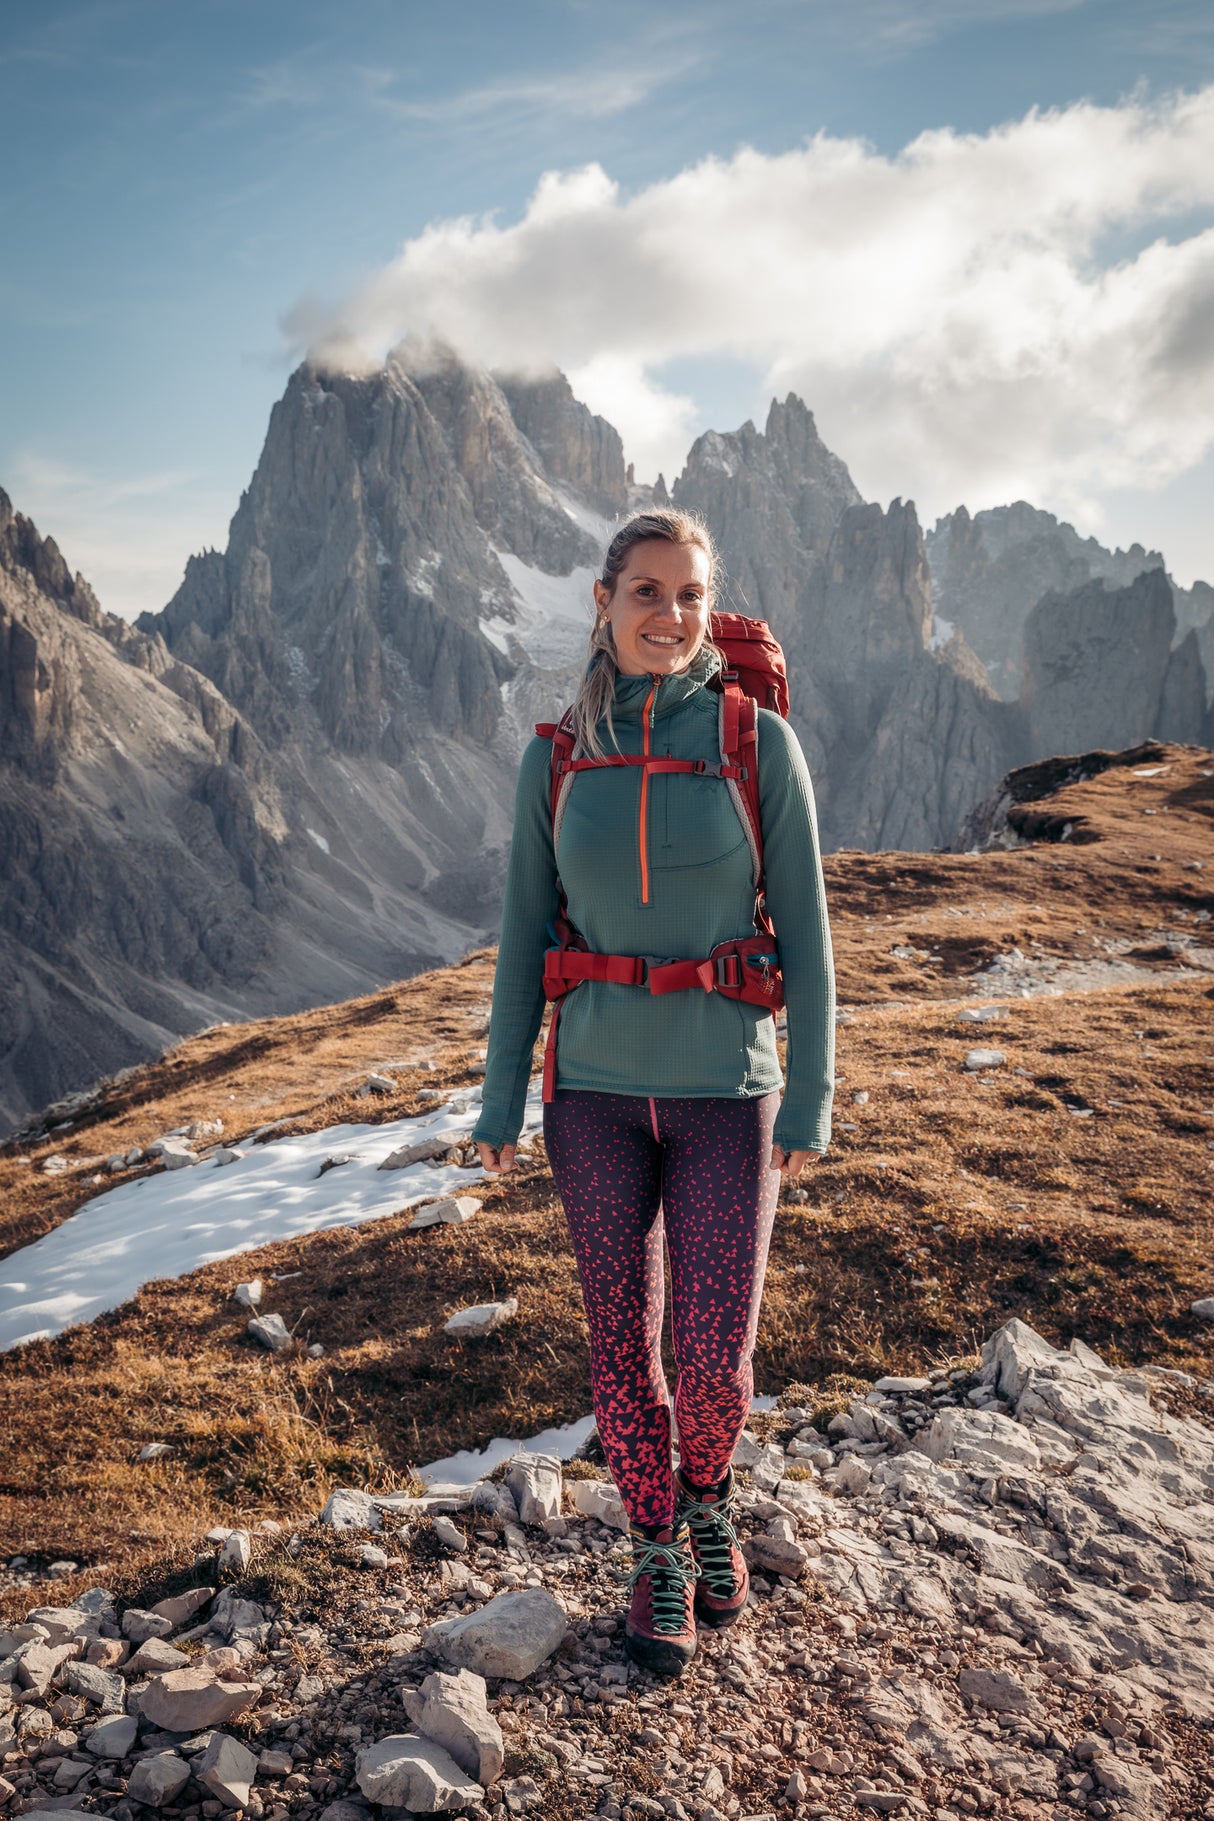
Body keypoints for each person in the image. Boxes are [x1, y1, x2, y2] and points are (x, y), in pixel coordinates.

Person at [472, 507, 835, 1676]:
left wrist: (814, 1093)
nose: (668, 616)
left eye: (687, 595)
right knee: (619, 1344)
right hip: (590, 1098)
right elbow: (525, 937)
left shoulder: (752, 741)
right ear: (603, 600)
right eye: (644, 592)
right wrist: (494, 1107)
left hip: (730, 1091)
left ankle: (710, 1494)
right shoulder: (555, 756)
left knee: (713, 1357)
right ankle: (656, 1543)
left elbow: (813, 940)